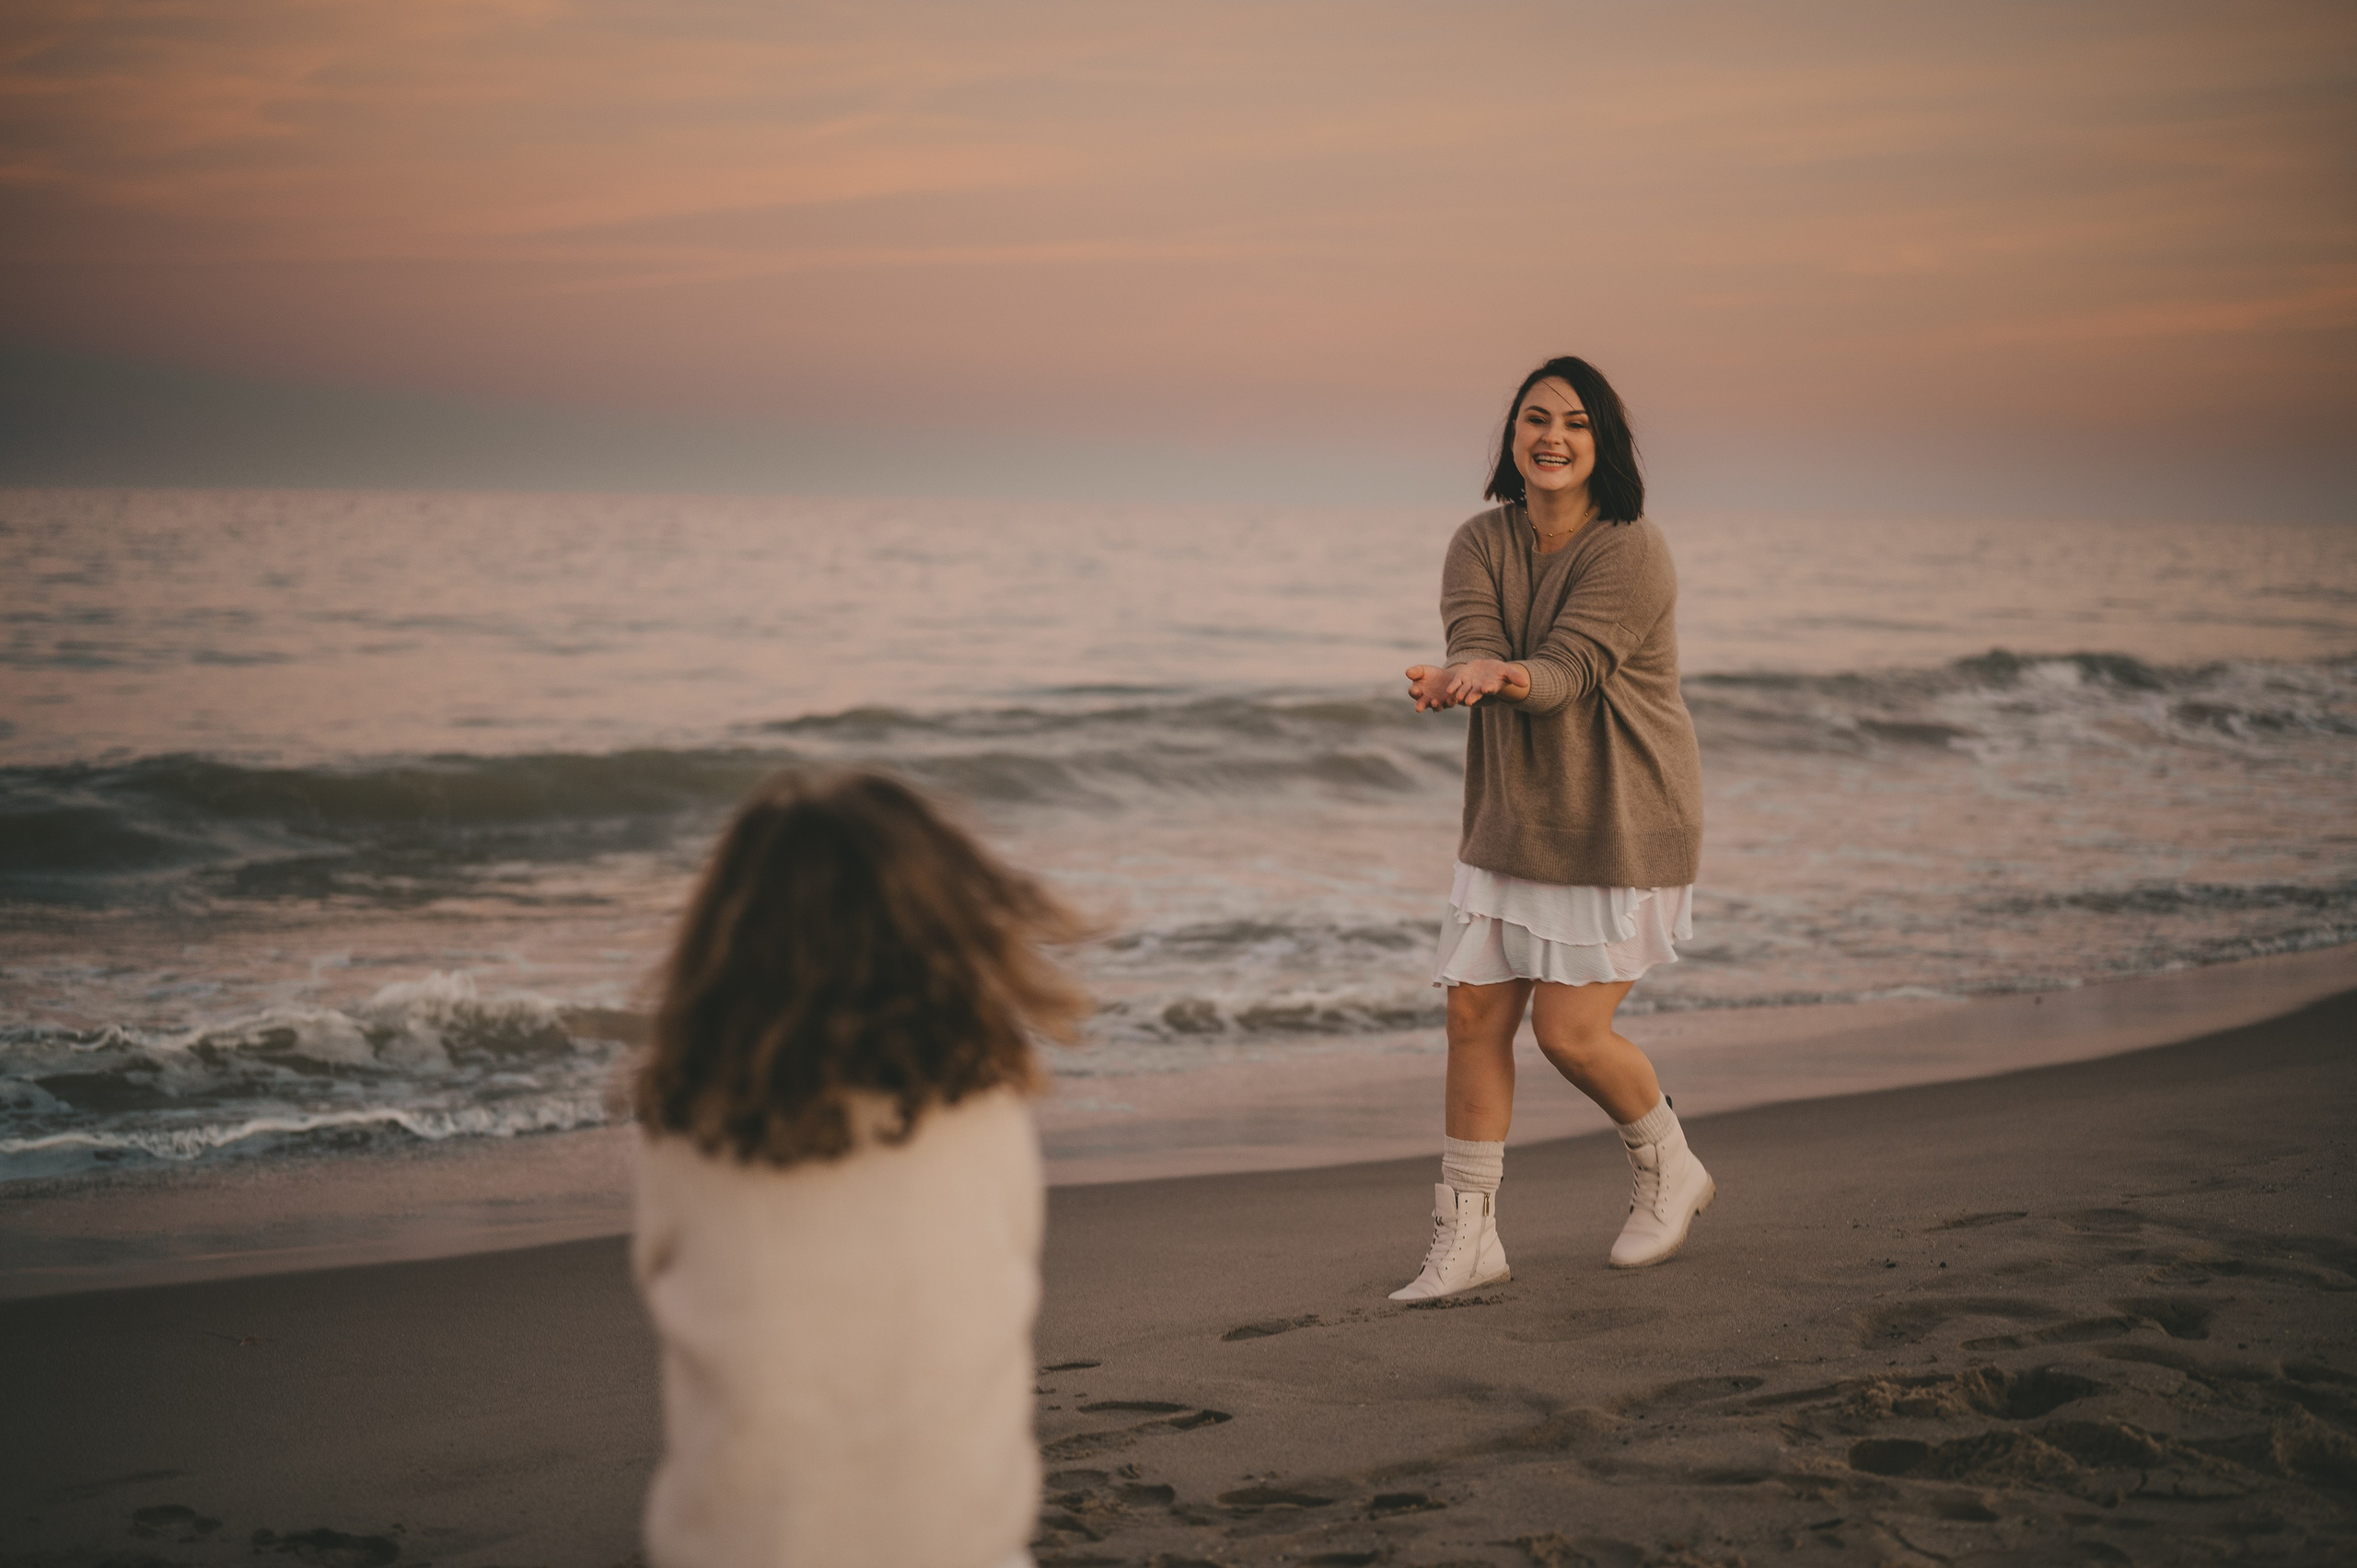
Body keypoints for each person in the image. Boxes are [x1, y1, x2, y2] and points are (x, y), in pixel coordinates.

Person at [631, 771, 1086, 1568]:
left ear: (728, 941)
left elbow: (660, 1275)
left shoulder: (690, 1126)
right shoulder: (982, 1110)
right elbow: (1014, 1256)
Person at [1392, 354, 1710, 1302]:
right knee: (1471, 1014)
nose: (1552, 436)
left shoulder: (1631, 548)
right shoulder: (1477, 540)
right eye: (1535, 418)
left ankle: (1668, 1165)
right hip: (1512, 816)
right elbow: (1473, 641)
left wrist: (1496, 678)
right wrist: (1463, 675)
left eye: (1574, 421)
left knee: (1570, 1032)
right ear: (1512, 437)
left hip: (1619, 813)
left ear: (1601, 442)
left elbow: (1568, 669)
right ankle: (1468, 1232)